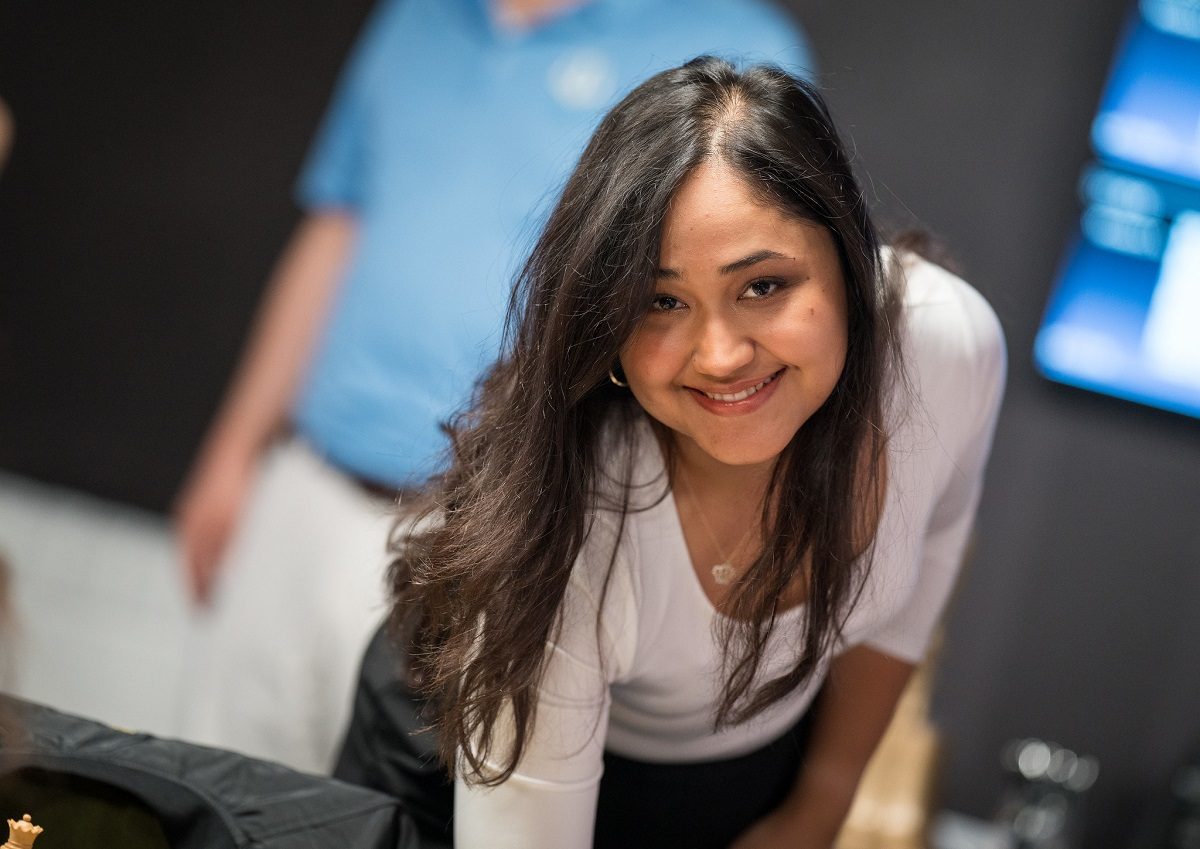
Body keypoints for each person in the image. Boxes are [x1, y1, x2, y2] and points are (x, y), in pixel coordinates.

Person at [375, 56, 1006, 849]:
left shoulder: (944, 350)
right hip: (459, 765)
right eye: (661, 301)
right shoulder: (568, 541)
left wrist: (823, 797)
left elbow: (931, 555)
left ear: (848, 264)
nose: (719, 355)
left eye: (764, 286)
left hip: (737, 765)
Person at [174, 0, 814, 773]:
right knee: (209, 788)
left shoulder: (733, 45)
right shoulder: (417, 18)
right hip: (307, 491)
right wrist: (234, 450)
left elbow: (750, 309)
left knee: (398, 815)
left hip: (493, 539)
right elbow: (340, 225)